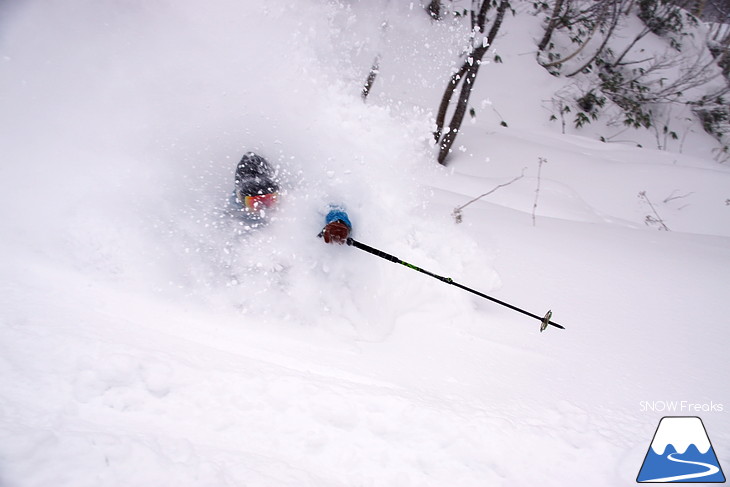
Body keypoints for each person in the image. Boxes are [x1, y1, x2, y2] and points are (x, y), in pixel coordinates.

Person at [230, 152, 279, 220]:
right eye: (254, 203)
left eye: (269, 201)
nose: (263, 209)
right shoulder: (231, 220)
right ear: (240, 198)